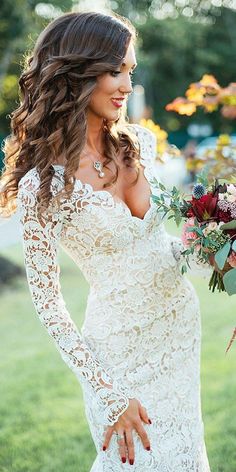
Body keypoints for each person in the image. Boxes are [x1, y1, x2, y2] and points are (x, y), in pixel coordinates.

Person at [0, 11, 211, 471]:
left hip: (179, 330)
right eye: (114, 70)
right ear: (76, 72)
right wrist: (106, 391)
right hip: (117, 356)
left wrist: (208, 243)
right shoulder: (44, 184)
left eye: (130, 72)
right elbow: (49, 303)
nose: (125, 86)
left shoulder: (140, 143)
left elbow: (160, 249)